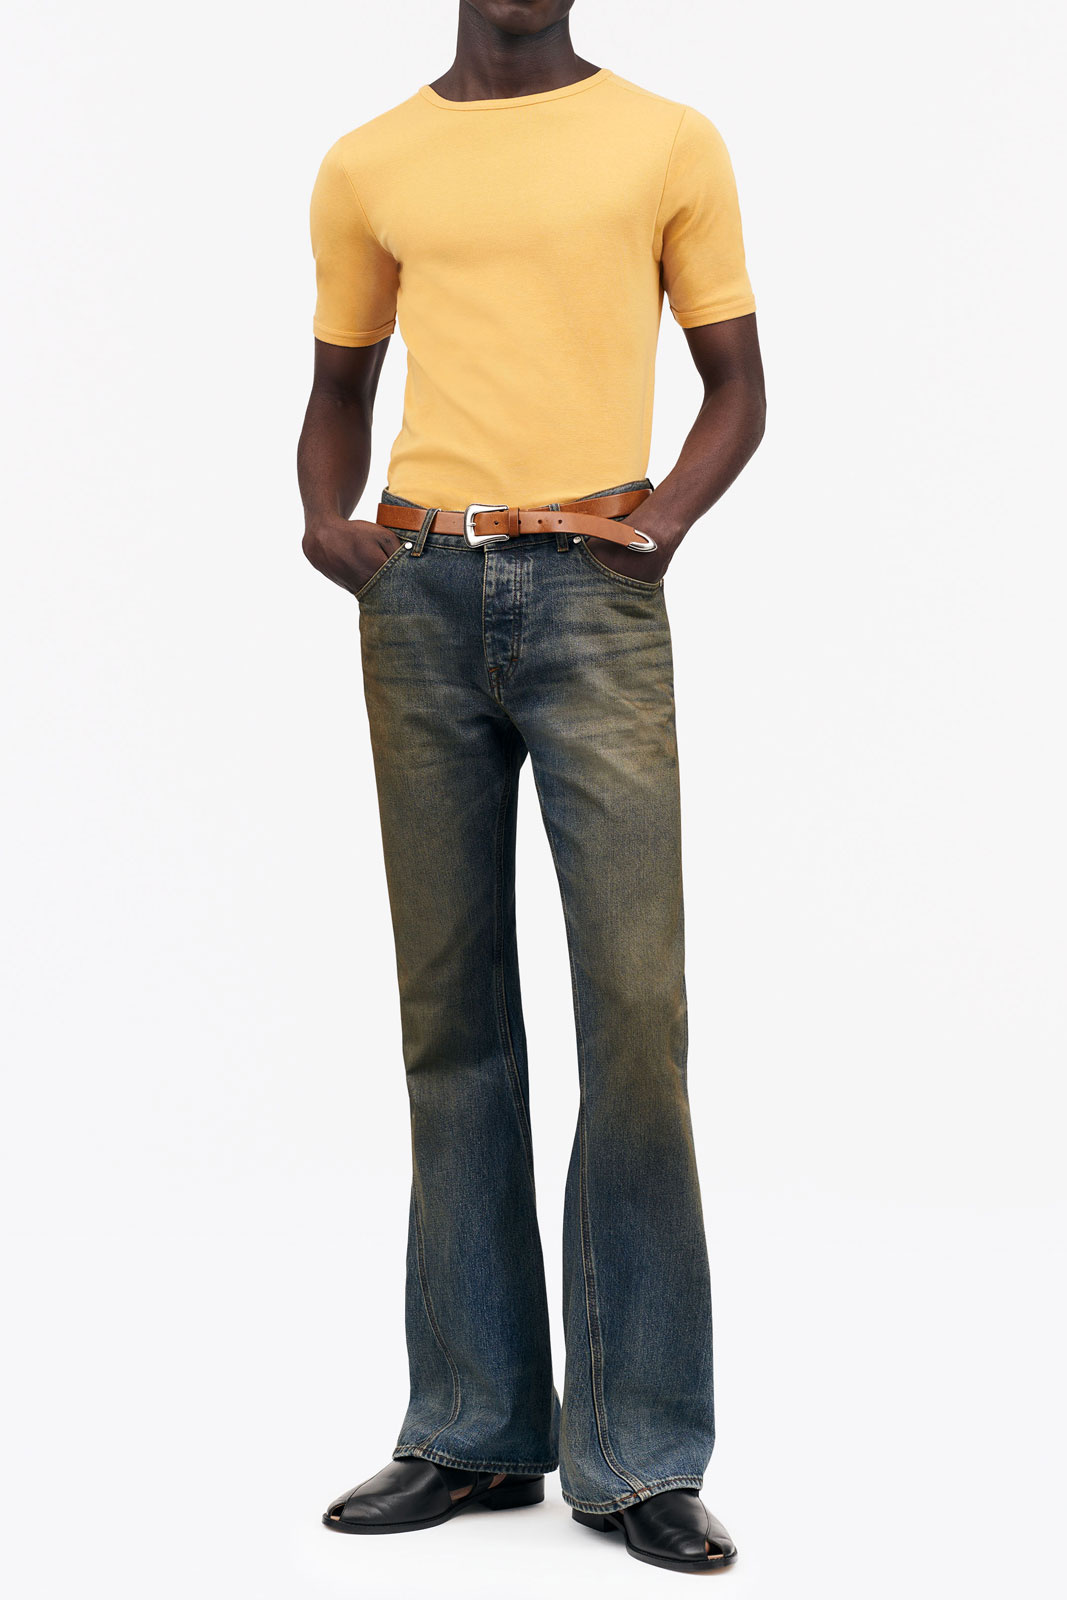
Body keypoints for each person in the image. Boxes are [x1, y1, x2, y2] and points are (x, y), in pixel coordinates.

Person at [297, 0, 765, 1576]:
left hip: (595, 588)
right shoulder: (370, 161)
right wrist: (330, 526)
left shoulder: (666, 140)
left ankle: (637, 1452)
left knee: (634, 1015)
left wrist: (659, 528)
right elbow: (338, 388)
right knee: (452, 1019)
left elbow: (738, 386)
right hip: (420, 592)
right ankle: (472, 1427)